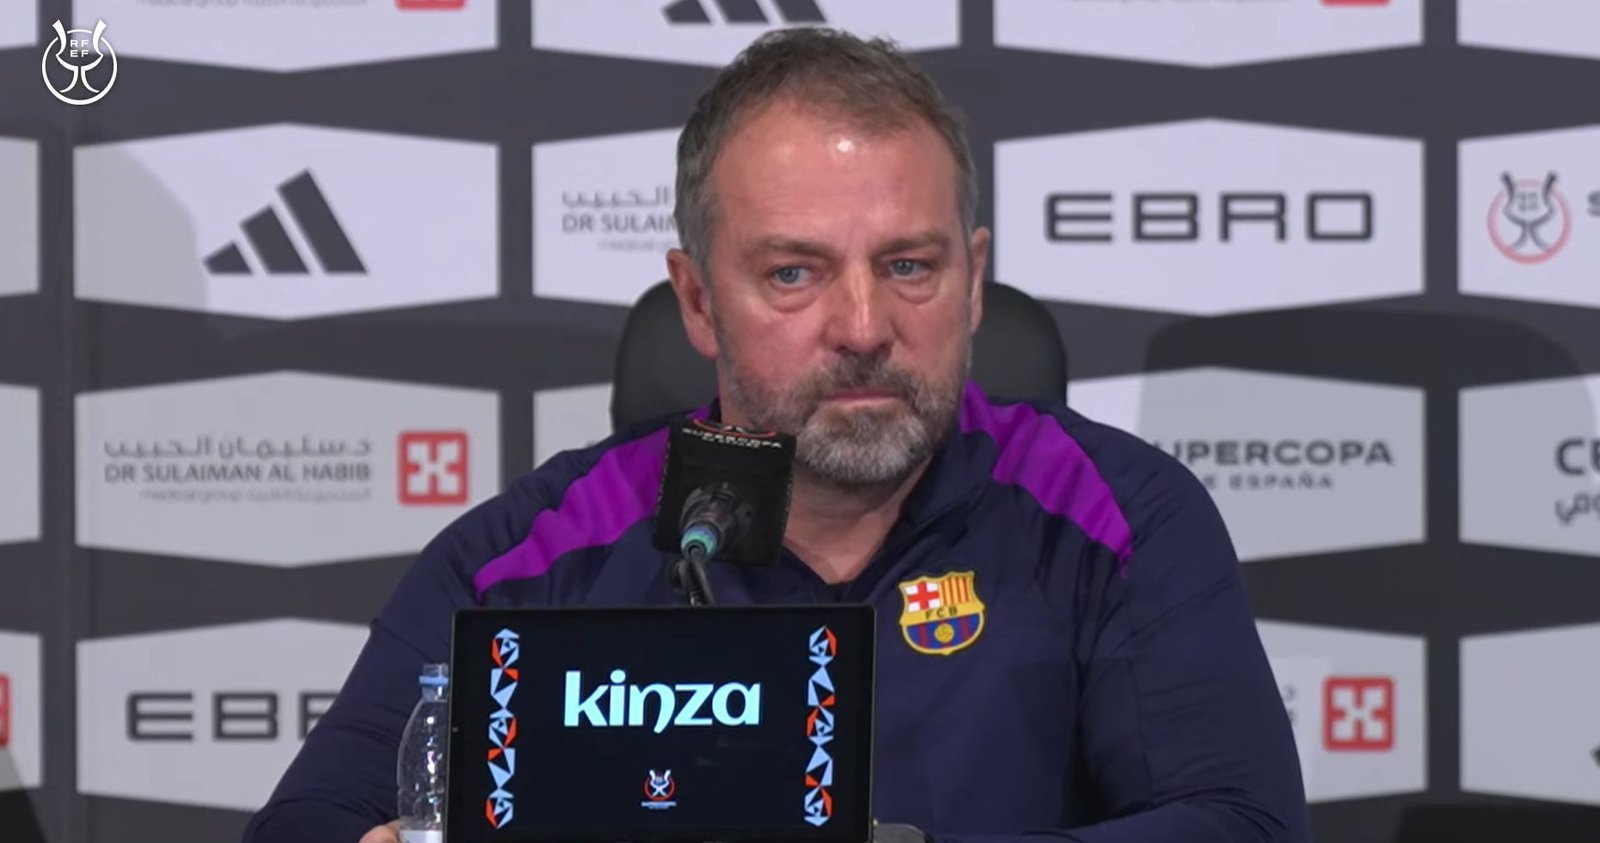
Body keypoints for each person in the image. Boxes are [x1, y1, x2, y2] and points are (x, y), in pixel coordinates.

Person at [242, 27, 1311, 843]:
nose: (864, 327)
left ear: (975, 279)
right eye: (794, 273)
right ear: (698, 301)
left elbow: (1241, 824)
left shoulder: (1113, 515)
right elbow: (312, 823)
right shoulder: (539, 557)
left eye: (909, 266)